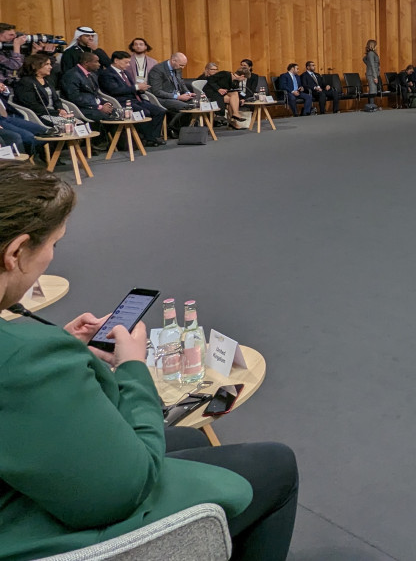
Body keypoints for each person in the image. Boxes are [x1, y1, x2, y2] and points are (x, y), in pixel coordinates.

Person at [0, 165, 299, 560]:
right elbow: (122, 493)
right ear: (17, 252)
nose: (52, 257)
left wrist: (63, 346)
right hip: (30, 534)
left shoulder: (26, 350)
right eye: (54, 243)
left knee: (190, 439)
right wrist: (132, 368)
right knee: (277, 465)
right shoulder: (24, 358)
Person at [98, 52, 166, 146]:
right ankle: (149, 138)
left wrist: (141, 89)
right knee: (145, 112)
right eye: (126, 62)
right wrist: (137, 87)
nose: (128, 65)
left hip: (136, 99)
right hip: (121, 102)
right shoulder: (106, 74)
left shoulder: (126, 72)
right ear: (116, 61)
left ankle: (152, 138)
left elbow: (132, 87)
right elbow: (115, 90)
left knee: (159, 111)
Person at [12, 53, 75, 128]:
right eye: (47, 64)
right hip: (40, 115)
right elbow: (33, 106)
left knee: (78, 123)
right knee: (67, 125)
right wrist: (57, 113)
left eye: (50, 64)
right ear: (34, 66)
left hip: (54, 113)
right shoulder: (25, 82)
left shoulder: (48, 80)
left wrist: (60, 109)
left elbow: (56, 99)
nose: (50, 67)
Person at [59, 52, 116, 128]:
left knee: (115, 113)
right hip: (80, 108)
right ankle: (103, 139)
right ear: (86, 63)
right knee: (106, 117)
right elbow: (74, 98)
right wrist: (99, 107)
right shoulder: (71, 75)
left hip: (93, 106)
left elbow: (95, 94)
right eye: (96, 62)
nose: (99, 64)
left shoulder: (92, 75)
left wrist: (105, 103)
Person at [147, 54, 197, 137]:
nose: (183, 68)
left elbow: (181, 83)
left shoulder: (177, 68)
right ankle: (173, 128)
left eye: (184, 65)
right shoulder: (157, 70)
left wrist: (188, 93)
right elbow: (157, 91)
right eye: (181, 65)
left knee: (196, 103)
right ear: (173, 61)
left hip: (176, 96)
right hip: (162, 98)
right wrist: (177, 97)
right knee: (186, 106)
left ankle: (188, 130)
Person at [0, 80, 53, 154]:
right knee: (27, 136)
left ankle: (49, 159)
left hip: (7, 117)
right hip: (1, 120)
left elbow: (3, 100)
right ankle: (28, 161)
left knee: (43, 130)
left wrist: (4, 90)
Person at [362, 40, 381, 112]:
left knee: (373, 90)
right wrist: (375, 76)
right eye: (376, 45)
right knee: (372, 91)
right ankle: (371, 106)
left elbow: (364, 59)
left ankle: (371, 106)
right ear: (373, 45)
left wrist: (368, 65)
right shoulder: (370, 53)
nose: (377, 46)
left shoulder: (372, 53)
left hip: (374, 73)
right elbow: (372, 65)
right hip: (372, 74)